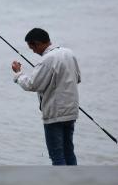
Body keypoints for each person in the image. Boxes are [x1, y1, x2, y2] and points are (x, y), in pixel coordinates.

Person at [11, 28, 81, 166]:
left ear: (37, 43)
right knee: (69, 152)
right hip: (71, 112)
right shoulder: (69, 53)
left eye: (32, 48)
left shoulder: (47, 60)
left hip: (54, 115)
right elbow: (77, 78)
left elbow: (31, 85)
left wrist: (18, 74)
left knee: (57, 156)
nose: (33, 51)